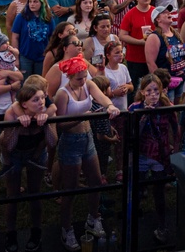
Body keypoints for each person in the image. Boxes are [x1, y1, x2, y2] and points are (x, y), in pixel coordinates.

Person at [53, 54, 118, 249]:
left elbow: (102, 96)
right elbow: (61, 125)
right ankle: (67, 228)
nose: (83, 81)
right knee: (70, 189)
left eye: (84, 77)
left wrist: (110, 106)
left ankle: (93, 217)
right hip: (70, 142)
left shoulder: (88, 85)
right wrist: (81, 117)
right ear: (69, 77)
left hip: (88, 138)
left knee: (96, 181)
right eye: (78, 78)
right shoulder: (62, 94)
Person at [0, 75, 58, 252]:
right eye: (36, 100)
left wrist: (46, 122)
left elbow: (53, 142)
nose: (41, 102)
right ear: (24, 104)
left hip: (36, 153)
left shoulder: (47, 110)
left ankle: (36, 231)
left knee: (35, 193)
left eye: (42, 98)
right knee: (13, 196)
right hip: (14, 155)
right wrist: (17, 127)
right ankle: (11, 234)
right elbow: (7, 146)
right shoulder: (12, 112)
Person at [127, 73, 180, 243]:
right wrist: (143, 116)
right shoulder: (134, 108)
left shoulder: (167, 106)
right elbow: (132, 135)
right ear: (142, 92)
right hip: (141, 155)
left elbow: (175, 128)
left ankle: (162, 225)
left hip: (160, 155)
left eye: (156, 90)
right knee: (138, 188)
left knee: (159, 191)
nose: (153, 94)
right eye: (149, 91)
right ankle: (132, 224)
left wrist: (175, 148)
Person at [118, 0, 155, 95]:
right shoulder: (130, 14)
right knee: (135, 88)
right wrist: (139, 42)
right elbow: (122, 35)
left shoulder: (155, 12)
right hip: (135, 57)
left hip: (153, 57)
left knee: (152, 85)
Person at [11, 0, 54, 78]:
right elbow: (15, 37)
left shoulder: (48, 18)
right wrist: (16, 57)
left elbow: (52, 37)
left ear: (42, 3)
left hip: (42, 57)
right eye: (30, 2)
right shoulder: (21, 17)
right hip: (25, 56)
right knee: (24, 82)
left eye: (35, 2)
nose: (32, 4)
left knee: (39, 82)